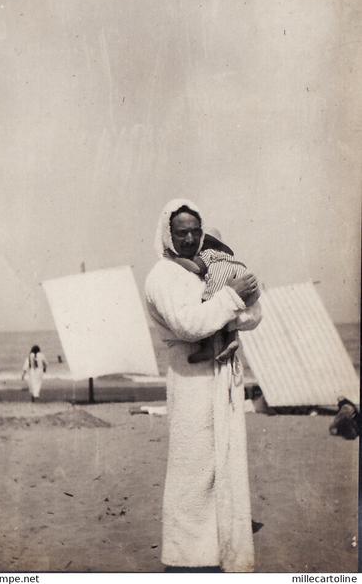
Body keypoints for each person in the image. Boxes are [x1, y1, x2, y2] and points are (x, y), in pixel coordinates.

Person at [145, 198, 262, 572]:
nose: (191, 238)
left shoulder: (207, 266)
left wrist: (231, 314)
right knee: (192, 470)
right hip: (191, 379)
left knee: (224, 464)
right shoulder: (161, 277)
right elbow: (189, 324)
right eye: (182, 233)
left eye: (196, 230)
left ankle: (219, 551)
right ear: (168, 233)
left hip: (223, 376)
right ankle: (186, 558)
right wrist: (231, 300)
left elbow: (255, 313)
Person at [169, 226, 261, 363]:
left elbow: (196, 267)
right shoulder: (227, 256)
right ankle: (231, 339)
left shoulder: (208, 254)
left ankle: (207, 348)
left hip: (221, 274)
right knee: (233, 305)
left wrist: (177, 259)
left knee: (209, 304)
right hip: (241, 271)